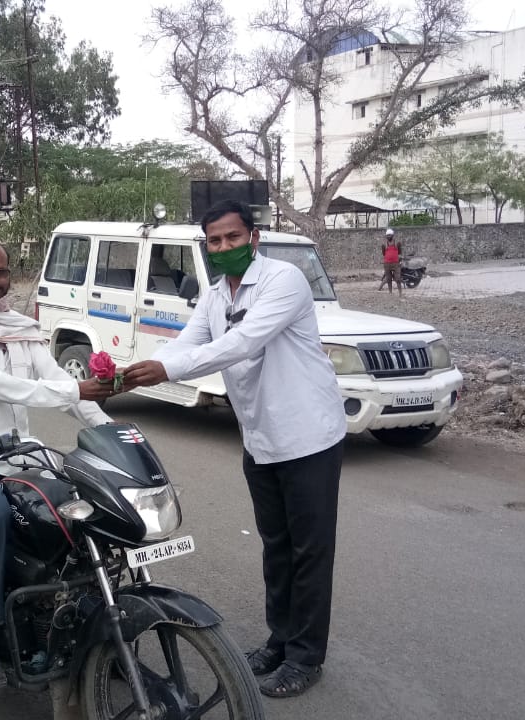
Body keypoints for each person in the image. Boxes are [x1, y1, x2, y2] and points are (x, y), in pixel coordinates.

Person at [123, 199, 346, 699]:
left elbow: (244, 342)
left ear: (254, 238)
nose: (223, 248)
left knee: (310, 551)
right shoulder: (215, 295)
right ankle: (280, 639)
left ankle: (306, 658)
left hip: (308, 437)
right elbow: (187, 342)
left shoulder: (283, 281)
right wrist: (136, 369)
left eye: (232, 238)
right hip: (261, 438)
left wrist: (169, 370)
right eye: (215, 241)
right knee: (276, 546)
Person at [0, 239, 115, 690]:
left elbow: (55, 382)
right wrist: (76, 391)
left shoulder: (20, 327)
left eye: (0, 273)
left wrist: (110, 431)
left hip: (18, 450)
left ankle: (79, 611)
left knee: (82, 506)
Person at [378, 228, 402, 296]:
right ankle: (390, 292)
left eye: (390, 235)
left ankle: (400, 293)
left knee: (398, 278)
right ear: (386, 236)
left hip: (395, 263)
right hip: (387, 264)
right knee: (388, 279)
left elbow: (400, 252)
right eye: (387, 235)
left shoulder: (397, 243)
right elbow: (383, 253)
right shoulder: (384, 244)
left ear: (393, 235)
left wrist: (398, 259)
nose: (388, 237)